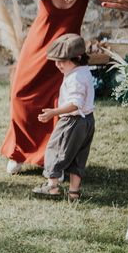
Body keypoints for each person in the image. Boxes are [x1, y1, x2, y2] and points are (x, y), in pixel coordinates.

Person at [0, 0, 98, 175]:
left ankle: (56, 157)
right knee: (20, 96)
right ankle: (18, 152)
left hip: (67, 56)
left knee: (61, 104)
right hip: (37, 50)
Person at [32, 34, 95, 201]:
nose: (57, 65)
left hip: (72, 121)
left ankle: (52, 187)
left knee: (56, 150)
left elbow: (76, 103)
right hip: (88, 121)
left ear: (77, 57)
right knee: (79, 156)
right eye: (56, 60)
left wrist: (54, 112)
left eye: (62, 61)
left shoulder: (75, 78)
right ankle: (74, 192)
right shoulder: (84, 71)